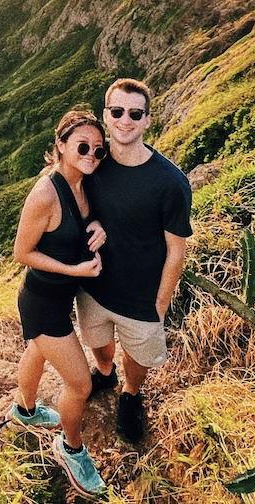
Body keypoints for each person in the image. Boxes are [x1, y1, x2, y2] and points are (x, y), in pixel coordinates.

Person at [78, 78, 192, 444]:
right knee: (98, 340)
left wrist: (159, 306)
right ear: (106, 117)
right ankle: (105, 372)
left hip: (142, 296)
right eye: (117, 112)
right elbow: (77, 209)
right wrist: (92, 222)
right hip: (94, 286)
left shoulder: (170, 183)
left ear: (147, 120)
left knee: (139, 355)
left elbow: (177, 250)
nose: (125, 120)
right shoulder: (92, 165)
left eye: (135, 113)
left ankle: (129, 394)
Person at [10, 109, 109, 497]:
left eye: (98, 150)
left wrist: (98, 225)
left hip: (56, 298)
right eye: (82, 146)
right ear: (61, 146)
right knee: (81, 384)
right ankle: (70, 448)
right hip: (42, 302)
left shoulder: (85, 183)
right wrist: (74, 272)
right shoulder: (45, 193)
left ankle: (25, 410)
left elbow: (93, 217)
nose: (90, 154)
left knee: (37, 349)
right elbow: (22, 252)